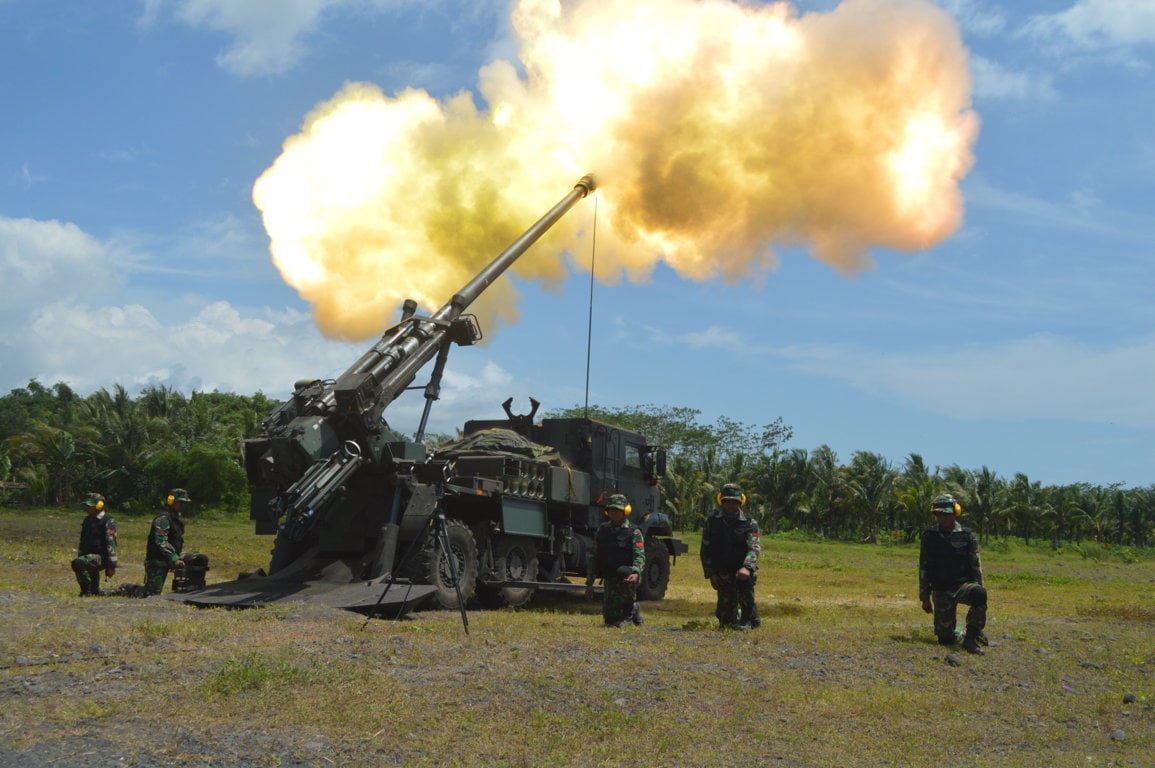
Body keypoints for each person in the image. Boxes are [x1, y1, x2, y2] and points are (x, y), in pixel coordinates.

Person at [919, 494, 988, 655]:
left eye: (946, 514)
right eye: (939, 514)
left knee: (979, 594)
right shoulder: (929, 536)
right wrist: (924, 597)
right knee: (945, 639)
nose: (942, 518)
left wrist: (981, 589)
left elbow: (976, 565)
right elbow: (924, 567)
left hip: (963, 586)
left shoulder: (967, 535)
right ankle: (960, 633)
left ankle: (970, 639)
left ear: (955, 513)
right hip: (941, 590)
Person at [701, 483, 761, 629]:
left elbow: (754, 548)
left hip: (743, 574)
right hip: (722, 573)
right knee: (726, 621)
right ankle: (733, 616)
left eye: (734, 501)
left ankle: (749, 616)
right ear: (721, 501)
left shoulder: (750, 522)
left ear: (740, 502)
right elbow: (705, 549)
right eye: (727, 501)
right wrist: (711, 573)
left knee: (747, 614)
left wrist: (747, 568)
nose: (730, 505)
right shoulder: (712, 522)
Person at [584, 493, 646, 627]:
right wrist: (590, 583)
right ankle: (633, 609)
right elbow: (594, 556)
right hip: (610, 575)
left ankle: (629, 614)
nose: (614, 513)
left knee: (623, 572)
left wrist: (636, 573)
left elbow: (639, 556)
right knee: (610, 619)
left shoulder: (634, 532)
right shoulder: (602, 531)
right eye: (611, 510)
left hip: (628, 575)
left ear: (625, 511)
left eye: (617, 510)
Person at [144, 488, 207, 595]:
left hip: (172, 556)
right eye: (180, 503)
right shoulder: (163, 519)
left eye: (185, 503)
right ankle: (128, 589)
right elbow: (162, 542)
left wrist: (176, 558)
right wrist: (174, 558)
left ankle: (192, 591)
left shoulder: (177, 519)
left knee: (199, 559)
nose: (183, 506)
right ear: (171, 501)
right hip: (158, 560)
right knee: (152, 593)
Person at [71, 492, 118, 596]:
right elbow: (83, 540)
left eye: (89, 506)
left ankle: (85, 592)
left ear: (99, 506)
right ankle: (92, 591)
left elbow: (111, 544)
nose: (87, 508)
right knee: (94, 591)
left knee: (78, 563)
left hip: (101, 557)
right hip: (89, 556)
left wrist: (112, 565)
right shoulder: (87, 520)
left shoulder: (108, 520)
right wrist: (81, 555)